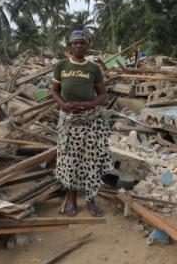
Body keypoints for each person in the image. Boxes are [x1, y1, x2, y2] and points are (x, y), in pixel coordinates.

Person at [50, 30, 113, 217]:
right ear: (70, 45)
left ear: (88, 46)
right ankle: (71, 199)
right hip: (68, 120)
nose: (78, 46)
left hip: (90, 120)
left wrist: (89, 105)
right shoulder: (61, 65)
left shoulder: (93, 68)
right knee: (70, 160)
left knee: (90, 160)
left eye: (82, 43)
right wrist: (64, 105)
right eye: (75, 43)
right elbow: (54, 91)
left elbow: (102, 94)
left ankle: (91, 199)